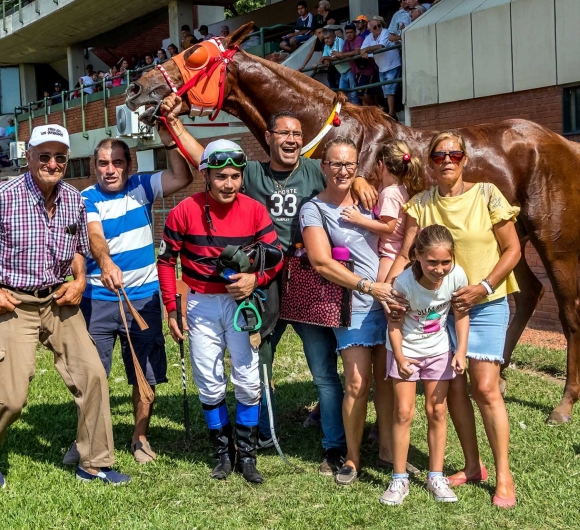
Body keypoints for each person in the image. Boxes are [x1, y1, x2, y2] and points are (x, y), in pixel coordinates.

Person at [158, 95, 377, 475]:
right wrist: (175, 127)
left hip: (310, 277)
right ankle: (254, 438)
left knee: (323, 369)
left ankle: (333, 445)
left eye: (297, 134)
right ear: (268, 137)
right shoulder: (251, 174)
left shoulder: (315, 170)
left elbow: (342, 170)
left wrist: (357, 177)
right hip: (265, 280)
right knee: (257, 363)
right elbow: (207, 161)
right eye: (283, 133)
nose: (291, 140)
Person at [0, 124, 129, 488]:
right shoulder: (2, 196)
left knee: (93, 375)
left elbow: (79, 246)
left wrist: (79, 280)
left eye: (59, 156)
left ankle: (93, 462)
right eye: (44, 155)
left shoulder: (73, 199)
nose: (52, 163)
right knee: (11, 397)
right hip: (12, 302)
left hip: (58, 299)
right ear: (28, 156)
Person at [387, 130, 521, 508]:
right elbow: (404, 253)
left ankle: (504, 474)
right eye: (439, 155)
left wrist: (484, 285)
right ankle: (473, 466)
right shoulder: (421, 203)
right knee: (455, 391)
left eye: (455, 154)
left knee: (485, 387)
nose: (447, 160)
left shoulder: (487, 194)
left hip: (485, 302)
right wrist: (387, 290)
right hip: (440, 310)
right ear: (429, 163)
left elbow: (512, 250)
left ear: (465, 159)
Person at [158, 139, 283, 484]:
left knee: (246, 379)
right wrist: (172, 307)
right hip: (200, 303)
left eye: (234, 176)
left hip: (241, 304)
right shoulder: (183, 210)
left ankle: (247, 457)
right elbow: (166, 261)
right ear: (206, 177)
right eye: (220, 177)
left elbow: (276, 257)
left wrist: (253, 279)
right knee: (210, 383)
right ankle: (222, 454)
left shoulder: (255, 210)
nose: (228, 184)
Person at [71, 118, 193, 466]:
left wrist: (168, 138)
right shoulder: (85, 198)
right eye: (103, 163)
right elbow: (94, 235)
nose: (110, 170)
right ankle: (86, 438)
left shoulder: (141, 187)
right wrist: (105, 262)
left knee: (146, 374)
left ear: (129, 165)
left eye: (118, 162)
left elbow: (182, 177)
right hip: (99, 300)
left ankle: (140, 438)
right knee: (91, 375)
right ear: (94, 167)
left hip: (144, 299)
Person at [299, 136, 412, 486]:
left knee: (388, 383)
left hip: (389, 302)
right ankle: (351, 456)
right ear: (324, 167)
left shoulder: (371, 199)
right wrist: (368, 286)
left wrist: (388, 288)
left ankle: (389, 452)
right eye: (336, 164)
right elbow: (321, 262)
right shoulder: (313, 209)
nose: (343, 171)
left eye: (350, 164)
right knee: (357, 383)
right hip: (356, 305)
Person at [380, 225, 469, 506]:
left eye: (445, 261)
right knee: (404, 412)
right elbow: (393, 325)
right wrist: (401, 357)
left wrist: (461, 352)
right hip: (405, 350)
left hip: (439, 350)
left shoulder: (457, 275)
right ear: (417, 255)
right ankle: (398, 478)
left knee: (437, 411)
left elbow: (461, 315)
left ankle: (435, 476)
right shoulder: (403, 283)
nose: (439, 268)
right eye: (432, 262)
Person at [340, 140, 422, 282]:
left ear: (381, 165)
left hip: (391, 252)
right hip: (390, 248)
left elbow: (389, 227)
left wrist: (359, 219)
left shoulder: (389, 194)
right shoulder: (395, 188)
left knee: (382, 286)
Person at [360, 17, 402, 118]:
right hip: (382, 67)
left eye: (379, 25)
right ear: (369, 29)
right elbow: (362, 49)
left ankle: (392, 113)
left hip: (393, 64)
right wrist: (365, 53)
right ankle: (391, 112)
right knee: (386, 91)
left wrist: (367, 50)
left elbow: (380, 46)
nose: (378, 28)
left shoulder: (385, 32)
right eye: (375, 27)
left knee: (389, 90)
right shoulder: (369, 37)